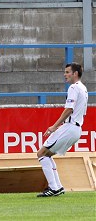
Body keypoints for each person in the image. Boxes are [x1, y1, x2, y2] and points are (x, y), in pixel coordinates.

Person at [36, 62, 88, 197]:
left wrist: (54, 127)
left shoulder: (73, 88)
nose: (65, 75)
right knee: (46, 154)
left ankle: (54, 188)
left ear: (75, 73)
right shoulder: (83, 88)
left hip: (71, 127)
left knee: (41, 153)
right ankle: (57, 187)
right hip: (76, 128)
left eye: (67, 72)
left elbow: (69, 109)